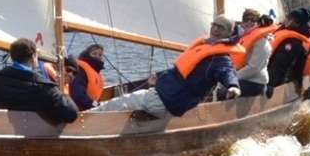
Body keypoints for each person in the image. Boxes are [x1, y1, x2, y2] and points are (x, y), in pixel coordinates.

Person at [90, 16, 243, 118]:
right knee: (127, 104)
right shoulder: (206, 47)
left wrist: (233, 86)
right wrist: (159, 78)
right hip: (171, 101)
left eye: (221, 27)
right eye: (214, 25)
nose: (215, 29)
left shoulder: (220, 58)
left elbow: (227, 71)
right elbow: (182, 71)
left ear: (229, 32)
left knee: (115, 104)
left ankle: (79, 121)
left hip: (165, 101)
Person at [0, 38, 79, 123]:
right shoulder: (46, 89)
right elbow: (72, 114)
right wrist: (61, 91)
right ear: (34, 58)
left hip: (0, 142)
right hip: (33, 144)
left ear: (12, 56)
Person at [265, 8, 310, 98]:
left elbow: (280, 64)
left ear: (295, 22)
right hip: (272, 74)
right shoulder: (287, 31)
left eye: (289, 18)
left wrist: (270, 84)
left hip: (281, 81)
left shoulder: (292, 42)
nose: (285, 19)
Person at [232, 10, 276, 97]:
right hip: (241, 77)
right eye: (245, 19)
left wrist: (232, 78)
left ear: (258, 22)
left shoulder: (262, 41)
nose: (249, 22)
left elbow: (254, 68)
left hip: (255, 82)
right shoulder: (241, 37)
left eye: (252, 20)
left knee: (224, 92)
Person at [71, 43, 106, 111]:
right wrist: (96, 105)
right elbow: (78, 96)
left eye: (100, 55)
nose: (97, 56)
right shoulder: (81, 70)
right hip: (80, 110)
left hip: (90, 108)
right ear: (87, 54)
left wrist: (97, 105)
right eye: (94, 53)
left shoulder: (95, 71)